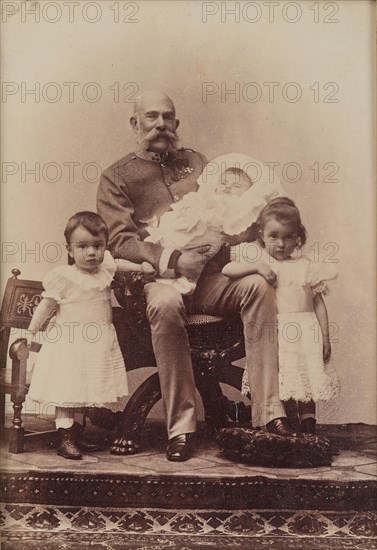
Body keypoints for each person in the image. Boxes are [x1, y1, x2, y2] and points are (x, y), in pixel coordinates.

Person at [97, 90, 301, 463]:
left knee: (256, 286)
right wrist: (174, 259)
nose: (161, 125)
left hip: (210, 279)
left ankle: (270, 414)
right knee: (165, 300)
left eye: (168, 117)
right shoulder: (116, 177)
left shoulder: (198, 162)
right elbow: (119, 241)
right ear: (135, 124)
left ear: (176, 123)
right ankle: (182, 427)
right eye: (151, 117)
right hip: (157, 280)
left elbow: (230, 209)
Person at [26, 211, 154, 460]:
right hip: (69, 344)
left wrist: (141, 267)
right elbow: (46, 306)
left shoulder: (105, 268)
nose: (91, 253)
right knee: (67, 390)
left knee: (85, 389)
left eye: (97, 246)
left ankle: (78, 433)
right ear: (70, 250)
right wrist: (32, 331)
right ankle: (64, 437)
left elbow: (119, 264)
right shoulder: (64, 277)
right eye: (83, 247)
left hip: (96, 344)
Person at [222, 198, 340, 433]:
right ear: (262, 234)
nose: (281, 243)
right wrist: (256, 268)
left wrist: (325, 337)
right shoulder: (262, 261)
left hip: (305, 331)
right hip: (277, 331)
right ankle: (283, 420)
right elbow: (227, 270)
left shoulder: (306, 265)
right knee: (282, 375)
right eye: (274, 236)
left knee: (306, 374)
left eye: (288, 237)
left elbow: (318, 304)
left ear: (298, 237)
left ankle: (308, 421)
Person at [145, 153, 284, 294]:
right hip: (188, 225)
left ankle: (172, 271)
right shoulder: (205, 198)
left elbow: (234, 227)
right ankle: (159, 252)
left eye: (236, 186)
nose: (228, 188)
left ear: (246, 194)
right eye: (223, 183)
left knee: (194, 253)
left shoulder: (241, 210)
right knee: (170, 228)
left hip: (206, 240)